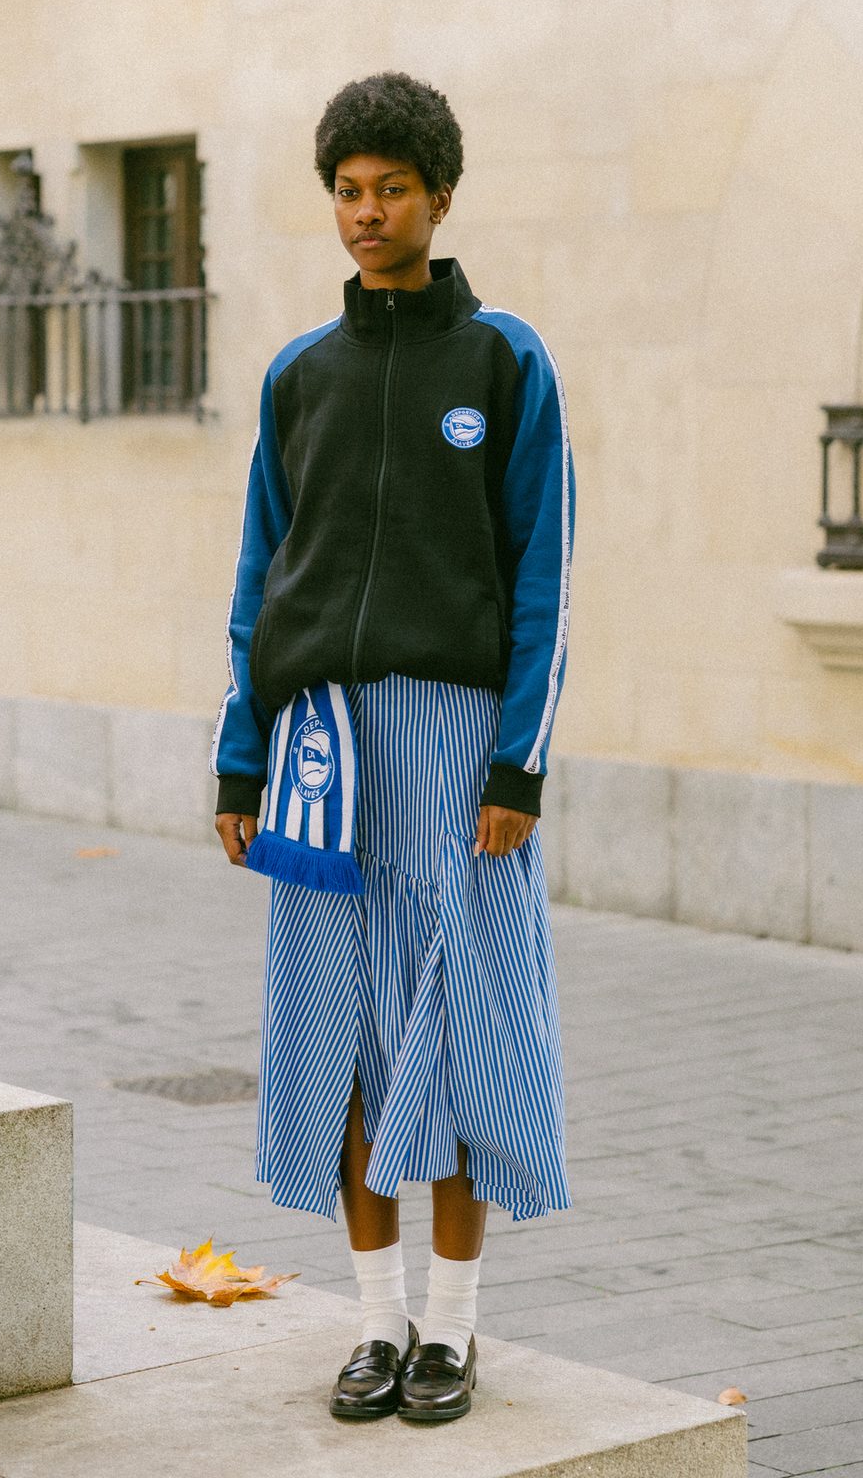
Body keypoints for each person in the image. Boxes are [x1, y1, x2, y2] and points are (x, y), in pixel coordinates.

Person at [212, 72, 573, 1426]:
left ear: (440, 196)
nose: (368, 216)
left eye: (393, 191)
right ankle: (372, 1324)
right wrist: (240, 757)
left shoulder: (504, 363)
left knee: (469, 1031)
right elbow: (260, 576)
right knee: (346, 1040)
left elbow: (546, 577)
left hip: (459, 746)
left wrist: (517, 770)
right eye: (349, 193)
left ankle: (455, 1332)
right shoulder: (299, 377)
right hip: (321, 750)